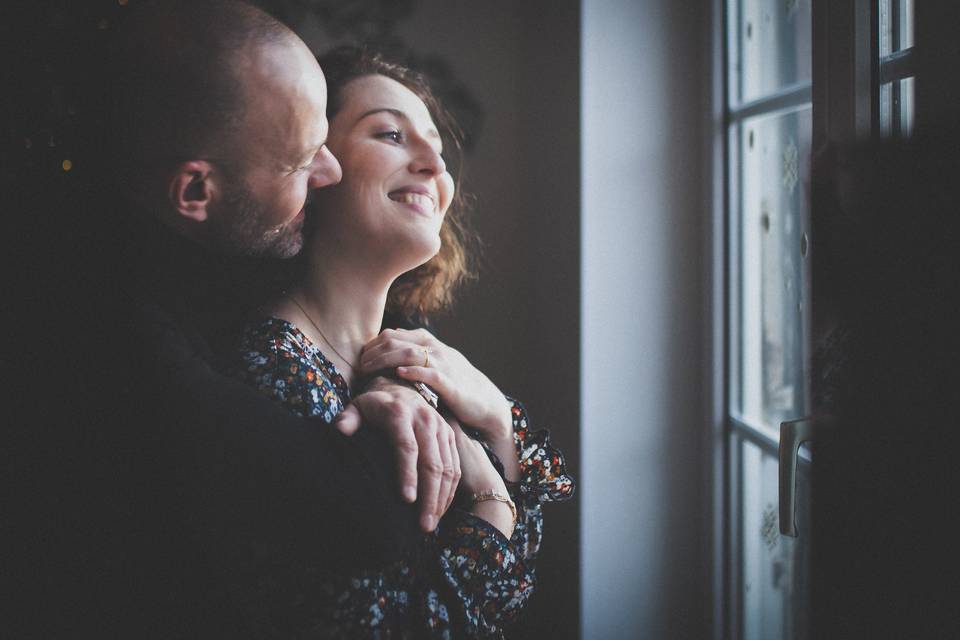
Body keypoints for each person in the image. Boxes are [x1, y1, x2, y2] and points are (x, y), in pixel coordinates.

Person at [22, 1, 487, 636]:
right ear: (195, 193)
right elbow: (360, 523)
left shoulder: (175, 264)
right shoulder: (97, 321)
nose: (327, 174)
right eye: (304, 158)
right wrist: (408, 398)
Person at [231, 46, 574, 637]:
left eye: (439, 152)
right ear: (314, 166)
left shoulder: (420, 353)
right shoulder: (273, 373)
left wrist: (494, 413)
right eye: (390, 134)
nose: (434, 169)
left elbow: (534, 538)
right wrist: (493, 497)